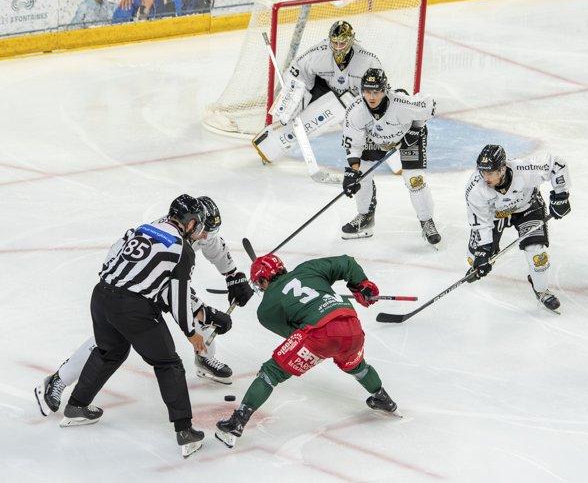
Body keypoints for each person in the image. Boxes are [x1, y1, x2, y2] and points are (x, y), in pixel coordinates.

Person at [35, 197, 252, 417]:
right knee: (111, 339)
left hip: (150, 284)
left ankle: (204, 356)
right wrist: (203, 310)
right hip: (128, 287)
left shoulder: (197, 229)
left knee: (195, 315)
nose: (205, 236)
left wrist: (233, 275)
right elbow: (172, 293)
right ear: (192, 223)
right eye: (204, 231)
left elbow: (214, 247)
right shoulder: (165, 235)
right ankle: (58, 379)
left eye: (210, 232)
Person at [55, 195, 215, 458]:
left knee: (110, 351)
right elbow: (178, 297)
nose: (198, 230)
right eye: (197, 224)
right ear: (189, 222)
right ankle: (185, 432)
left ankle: (76, 407)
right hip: (132, 308)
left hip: (101, 295)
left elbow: (113, 255)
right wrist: (191, 333)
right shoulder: (182, 249)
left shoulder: (144, 228)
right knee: (168, 363)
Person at [214, 253, 397, 448]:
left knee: (271, 373)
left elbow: (294, 335)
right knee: (356, 366)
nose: (260, 288)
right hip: (352, 325)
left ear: (262, 280)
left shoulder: (265, 309)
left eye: (259, 284)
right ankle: (382, 398)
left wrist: (320, 343)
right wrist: (361, 285)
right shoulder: (308, 268)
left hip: (320, 335)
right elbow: (347, 262)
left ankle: (237, 422)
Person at [254, 20, 401, 175]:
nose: (338, 47)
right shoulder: (318, 53)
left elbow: (381, 95)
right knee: (312, 113)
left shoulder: (368, 61)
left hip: (355, 100)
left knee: (365, 124)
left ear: (351, 41)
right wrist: (294, 100)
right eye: (334, 43)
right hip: (324, 91)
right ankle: (272, 143)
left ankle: (395, 152)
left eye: (342, 43)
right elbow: (296, 73)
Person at [340, 68, 440, 245]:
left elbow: (429, 105)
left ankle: (426, 221)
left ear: (385, 90)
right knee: (361, 174)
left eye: (376, 92)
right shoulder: (355, 110)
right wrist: (352, 172)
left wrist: (415, 129)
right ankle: (365, 216)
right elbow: (353, 144)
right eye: (367, 91)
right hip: (376, 139)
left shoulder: (400, 103)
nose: (371, 97)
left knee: (414, 179)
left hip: (408, 138)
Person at [465, 144, 571, 310]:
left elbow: (556, 164)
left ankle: (541, 289)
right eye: (482, 172)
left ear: (502, 169)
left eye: (490, 172)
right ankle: (478, 258)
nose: (485, 177)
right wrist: (483, 250)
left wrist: (561, 195)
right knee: (474, 259)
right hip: (496, 215)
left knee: (537, 255)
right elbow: (481, 221)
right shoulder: (475, 188)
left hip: (527, 208)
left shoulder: (524, 170)